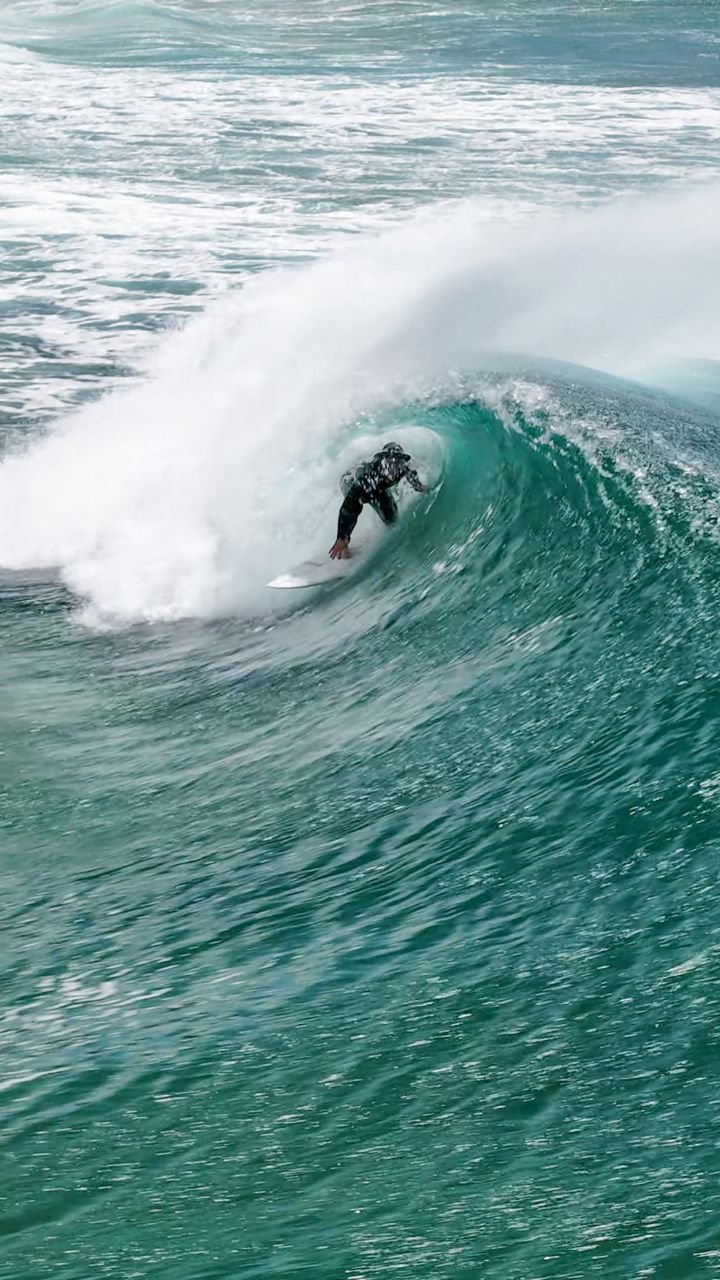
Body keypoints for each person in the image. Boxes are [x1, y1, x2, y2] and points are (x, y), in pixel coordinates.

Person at [329, 442, 428, 559]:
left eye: (397, 462)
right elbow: (349, 508)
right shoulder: (370, 477)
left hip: (378, 488)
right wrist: (342, 536)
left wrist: (419, 486)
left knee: (392, 518)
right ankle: (344, 546)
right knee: (358, 504)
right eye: (390, 462)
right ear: (383, 461)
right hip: (350, 481)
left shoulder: (404, 467)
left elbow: (413, 477)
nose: (393, 466)